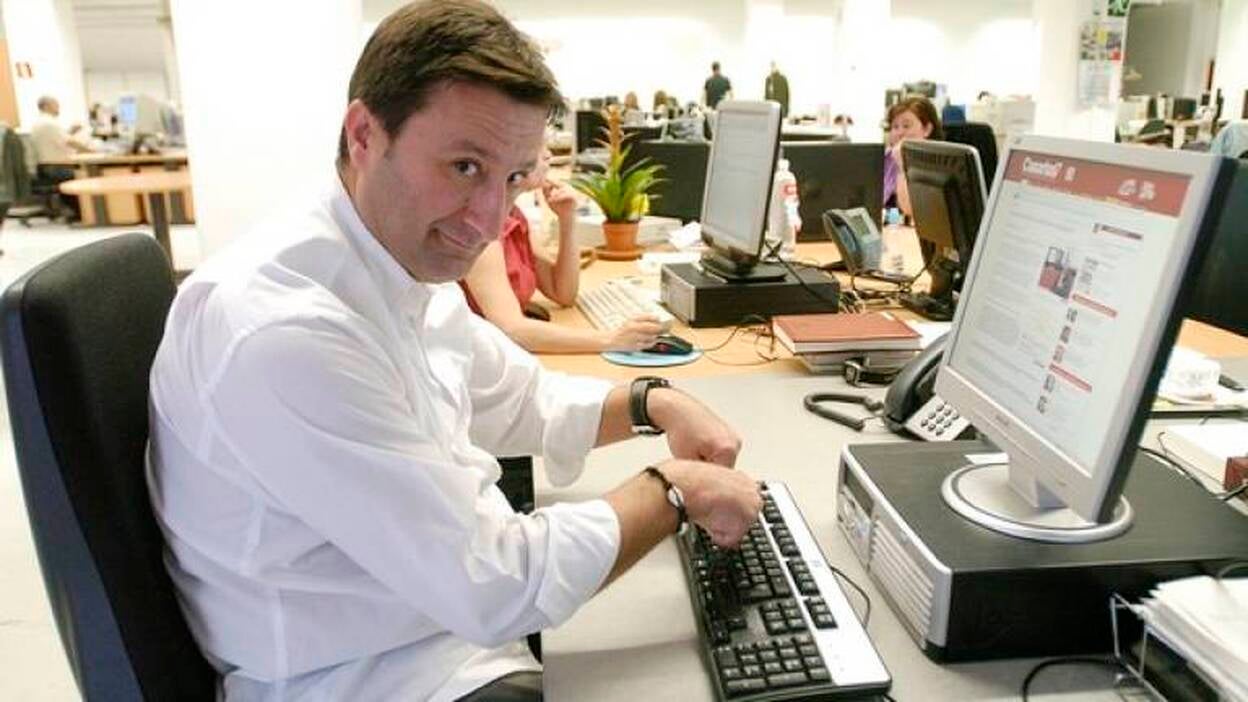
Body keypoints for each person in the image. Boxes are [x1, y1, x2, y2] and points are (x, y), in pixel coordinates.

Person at [146, 2, 761, 700]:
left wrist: (653, 402)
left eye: (515, 178)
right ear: (364, 135)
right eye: (465, 167)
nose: (491, 220)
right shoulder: (285, 331)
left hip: (425, 624)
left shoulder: (389, 257)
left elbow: (515, 396)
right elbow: (494, 583)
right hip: (369, 677)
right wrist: (674, 491)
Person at [461, 152, 664, 353]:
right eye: (540, 146)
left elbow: (562, 293)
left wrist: (567, 218)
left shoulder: (513, 214)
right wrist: (611, 339)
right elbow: (512, 329)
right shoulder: (481, 228)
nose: (548, 155)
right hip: (476, 358)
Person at [29, 95, 92, 220]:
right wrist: (92, 151)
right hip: (54, 168)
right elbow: (70, 142)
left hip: (45, 167)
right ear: (46, 106)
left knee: (79, 173)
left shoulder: (40, 122)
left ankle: (78, 212)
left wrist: (70, 132)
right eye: (56, 105)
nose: (58, 108)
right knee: (84, 176)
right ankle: (83, 213)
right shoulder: (49, 123)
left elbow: (59, 139)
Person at [882, 96, 943, 217]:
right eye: (895, 127)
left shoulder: (936, 164)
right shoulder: (888, 158)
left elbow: (911, 212)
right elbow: (888, 209)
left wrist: (902, 167)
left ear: (927, 129)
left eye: (906, 126)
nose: (899, 133)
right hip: (893, 226)